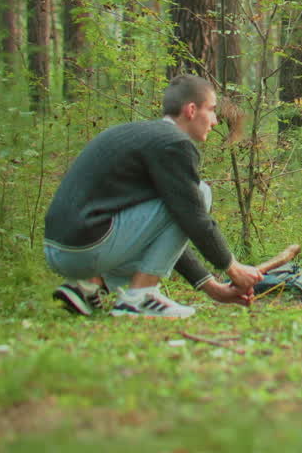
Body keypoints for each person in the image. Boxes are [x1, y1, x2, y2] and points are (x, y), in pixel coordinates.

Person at [43, 74, 263, 318]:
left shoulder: (141, 134)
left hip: (61, 251)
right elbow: (192, 219)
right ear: (191, 110)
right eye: (211, 110)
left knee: (183, 205)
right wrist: (233, 267)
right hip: (87, 247)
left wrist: (211, 287)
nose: (215, 121)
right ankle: (141, 297)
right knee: (201, 193)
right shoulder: (175, 144)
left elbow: (163, 232)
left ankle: (88, 286)